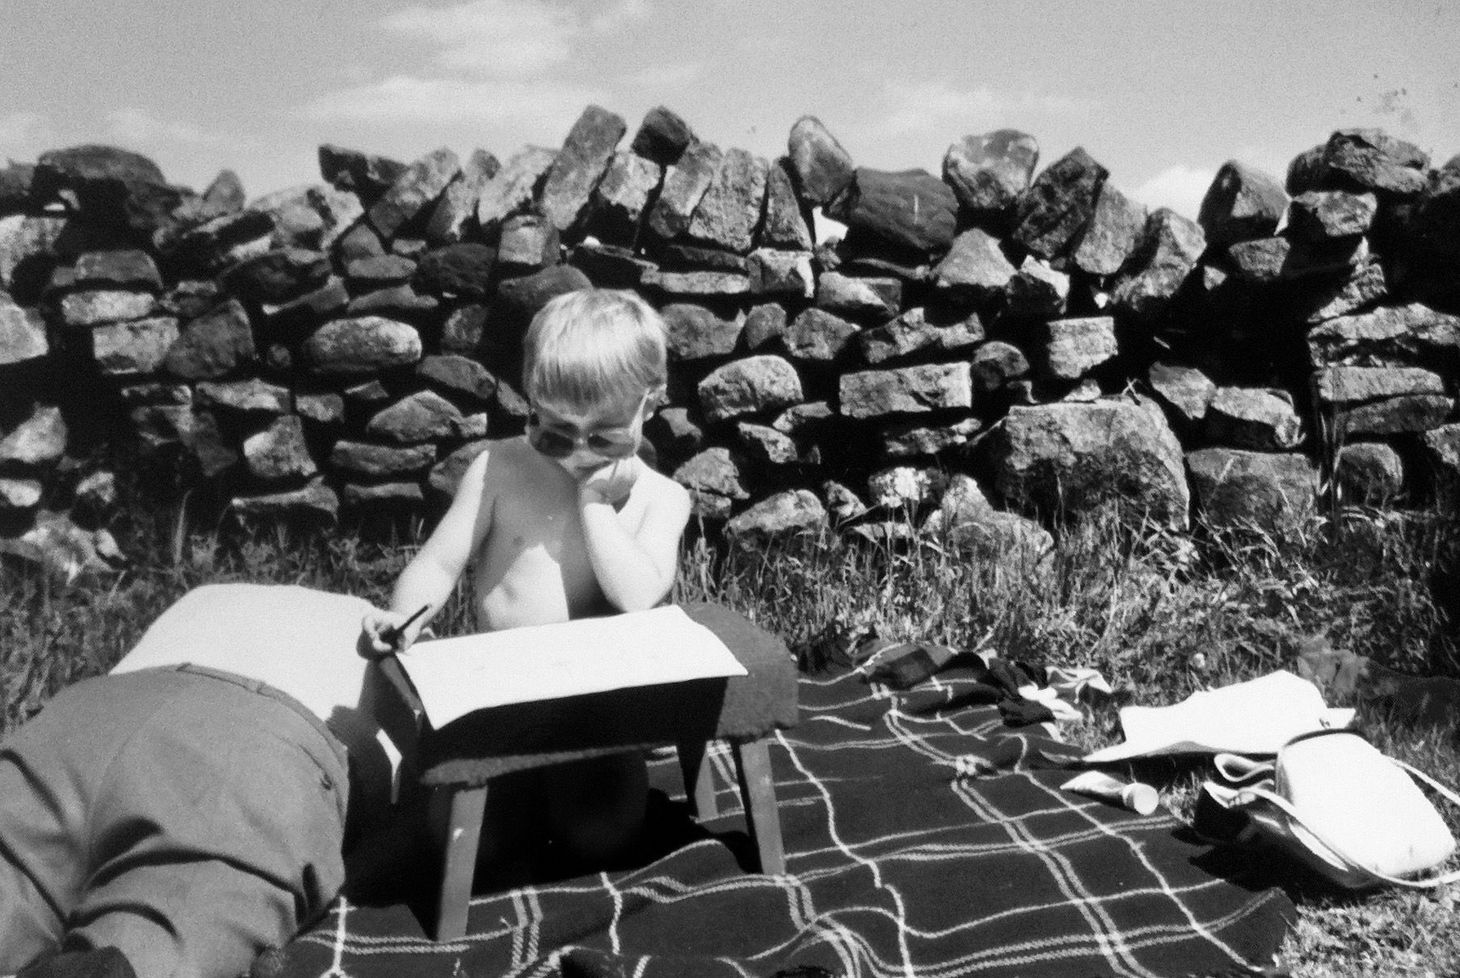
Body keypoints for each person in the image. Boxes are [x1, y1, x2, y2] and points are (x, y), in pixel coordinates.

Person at [360, 287, 692, 869]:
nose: (576, 454)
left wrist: (593, 504)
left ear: (653, 401)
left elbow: (638, 596)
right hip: (500, 703)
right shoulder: (500, 469)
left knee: (603, 839)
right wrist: (405, 616)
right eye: (554, 432)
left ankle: (580, 790)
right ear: (531, 401)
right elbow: (439, 563)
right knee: (466, 849)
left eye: (604, 436)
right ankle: (504, 795)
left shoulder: (663, 499)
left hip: (598, 713)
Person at [0, 582, 422, 978]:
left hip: (89, 714)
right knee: (147, 950)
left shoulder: (207, 594)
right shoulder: (400, 638)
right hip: (249, 752)